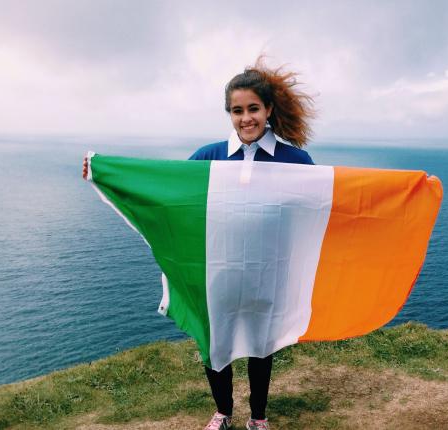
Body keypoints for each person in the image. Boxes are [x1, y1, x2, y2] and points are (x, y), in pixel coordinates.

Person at [83, 58, 316, 430]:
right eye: (237, 111)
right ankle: (223, 412)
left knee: (261, 347)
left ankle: (258, 418)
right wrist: (107, 173)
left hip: (266, 270)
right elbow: (170, 193)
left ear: (268, 109)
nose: (246, 119)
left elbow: (323, 205)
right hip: (216, 270)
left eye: (253, 109)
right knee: (215, 343)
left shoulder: (295, 160)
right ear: (229, 113)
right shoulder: (210, 156)